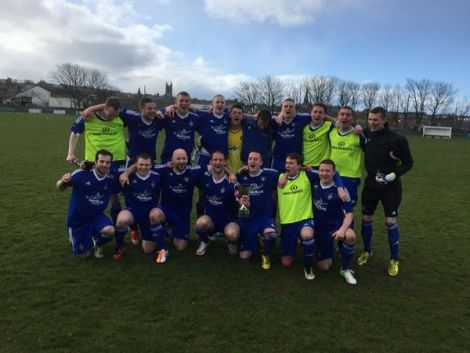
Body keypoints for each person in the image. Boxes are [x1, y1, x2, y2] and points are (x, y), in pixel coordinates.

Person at [357, 106, 414, 277]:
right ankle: (367, 251)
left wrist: (394, 174)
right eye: (370, 119)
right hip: (371, 185)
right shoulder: (365, 134)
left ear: (384, 121)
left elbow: (409, 162)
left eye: (375, 120)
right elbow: (343, 123)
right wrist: (358, 129)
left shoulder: (398, 140)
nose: (372, 123)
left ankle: (394, 259)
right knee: (366, 218)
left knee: (390, 222)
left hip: (391, 187)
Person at [57, 149, 116, 258]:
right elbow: (60, 187)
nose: (104, 164)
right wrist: (63, 181)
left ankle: (97, 244)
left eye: (107, 162)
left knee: (110, 231)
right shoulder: (81, 174)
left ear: (111, 164)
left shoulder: (111, 177)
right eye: (101, 161)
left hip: (96, 217)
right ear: (96, 162)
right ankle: (75, 236)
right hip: (78, 220)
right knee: (85, 255)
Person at [113, 153, 166, 263]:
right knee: (121, 219)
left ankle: (162, 249)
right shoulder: (127, 176)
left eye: (147, 165)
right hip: (133, 212)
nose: (143, 167)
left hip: (149, 214)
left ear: (151, 165)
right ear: (135, 165)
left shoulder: (157, 176)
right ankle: (120, 246)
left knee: (148, 250)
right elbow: (106, 170)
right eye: (141, 164)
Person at [313, 159, 357, 285]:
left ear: (334, 173)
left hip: (336, 226)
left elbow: (349, 214)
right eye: (321, 170)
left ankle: (345, 269)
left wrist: (342, 229)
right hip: (320, 228)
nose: (324, 173)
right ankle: (326, 250)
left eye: (328, 171)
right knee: (324, 267)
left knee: (350, 236)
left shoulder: (341, 190)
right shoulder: (313, 182)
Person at [276, 153, 317, 280]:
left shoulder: (308, 176)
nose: (287, 165)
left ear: (299, 165)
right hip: (287, 222)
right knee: (286, 263)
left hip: (304, 219)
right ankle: (296, 240)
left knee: (307, 235)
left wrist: (311, 169)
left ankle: (308, 267)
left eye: (291, 163)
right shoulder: (278, 177)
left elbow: (332, 173)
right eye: (286, 163)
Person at [237, 151, 278, 270]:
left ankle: (265, 254)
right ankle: (254, 239)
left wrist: (283, 177)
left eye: (255, 159)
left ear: (261, 162)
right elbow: (240, 198)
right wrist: (242, 211)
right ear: (247, 161)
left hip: (264, 217)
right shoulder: (241, 175)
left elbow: (286, 174)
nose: (252, 161)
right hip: (247, 217)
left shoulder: (271, 174)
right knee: (244, 257)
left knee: (271, 235)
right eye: (250, 159)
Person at [195, 151, 239, 256]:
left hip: (229, 221)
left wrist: (243, 222)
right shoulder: (205, 178)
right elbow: (192, 170)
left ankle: (231, 242)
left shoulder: (233, 182)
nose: (217, 162)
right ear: (210, 162)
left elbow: (244, 206)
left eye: (220, 160)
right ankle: (205, 240)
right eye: (215, 160)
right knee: (199, 224)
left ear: (225, 163)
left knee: (233, 234)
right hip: (211, 220)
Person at [329, 106, 365, 210]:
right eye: (342, 114)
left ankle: (348, 227)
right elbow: (323, 117)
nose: (345, 117)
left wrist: (358, 127)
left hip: (350, 177)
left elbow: (371, 153)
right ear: (338, 117)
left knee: (346, 209)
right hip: (332, 175)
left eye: (348, 115)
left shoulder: (358, 135)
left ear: (352, 118)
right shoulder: (331, 132)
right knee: (332, 208)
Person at [160, 91, 200, 164]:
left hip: (185, 160)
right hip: (168, 158)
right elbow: (155, 114)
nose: (184, 103)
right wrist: (166, 108)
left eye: (186, 101)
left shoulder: (195, 118)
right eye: (181, 101)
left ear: (190, 103)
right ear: (176, 102)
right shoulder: (168, 115)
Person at [271, 98, 310, 171]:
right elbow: (258, 117)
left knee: (293, 182)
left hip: (295, 161)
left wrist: (334, 121)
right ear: (281, 109)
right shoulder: (275, 121)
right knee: (278, 181)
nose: (288, 108)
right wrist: (279, 116)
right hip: (278, 160)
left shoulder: (301, 119)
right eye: (285, 106)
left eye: (291, 106)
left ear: (295, 109)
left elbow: (318, 115)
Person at [302, 102, 335, 168]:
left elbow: (342, 124)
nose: (317, 114)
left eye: (320, 112)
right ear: (311, 113)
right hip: (304, 165)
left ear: (325, 115)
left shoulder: (328, 126)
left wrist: (357, 126)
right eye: (315, 112)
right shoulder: (303, 126)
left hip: (322, 166)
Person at [227, 104, 244, 173]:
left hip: (242, 171)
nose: (236, 115)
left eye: (239, 113)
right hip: (226, 172)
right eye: (234, 113)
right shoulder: (224, 132)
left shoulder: (246, 132)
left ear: (243, 116)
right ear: (230, 115)